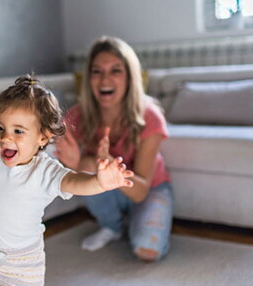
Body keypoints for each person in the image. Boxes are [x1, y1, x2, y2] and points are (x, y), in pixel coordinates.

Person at [0, 45, 134, 285]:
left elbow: (74, 182)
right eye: (0, 128)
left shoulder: (45, 171)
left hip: (22, 262)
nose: (6, 138)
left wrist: (99, 182)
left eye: (18, 131)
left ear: (43, 137)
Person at [55, 36, 173, 262]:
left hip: (149, 189)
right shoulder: (78, 115)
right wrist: (75, 164)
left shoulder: (150, 116)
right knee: (89, 165)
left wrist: (111, 167)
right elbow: (50, 147)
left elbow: (140, 192)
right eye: (97, 71)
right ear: (89, 78)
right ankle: (113, 226)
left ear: (129, 77)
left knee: (147, 251)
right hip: (109, 190)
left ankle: (134, 223)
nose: (104, 79)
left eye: (115, 71)